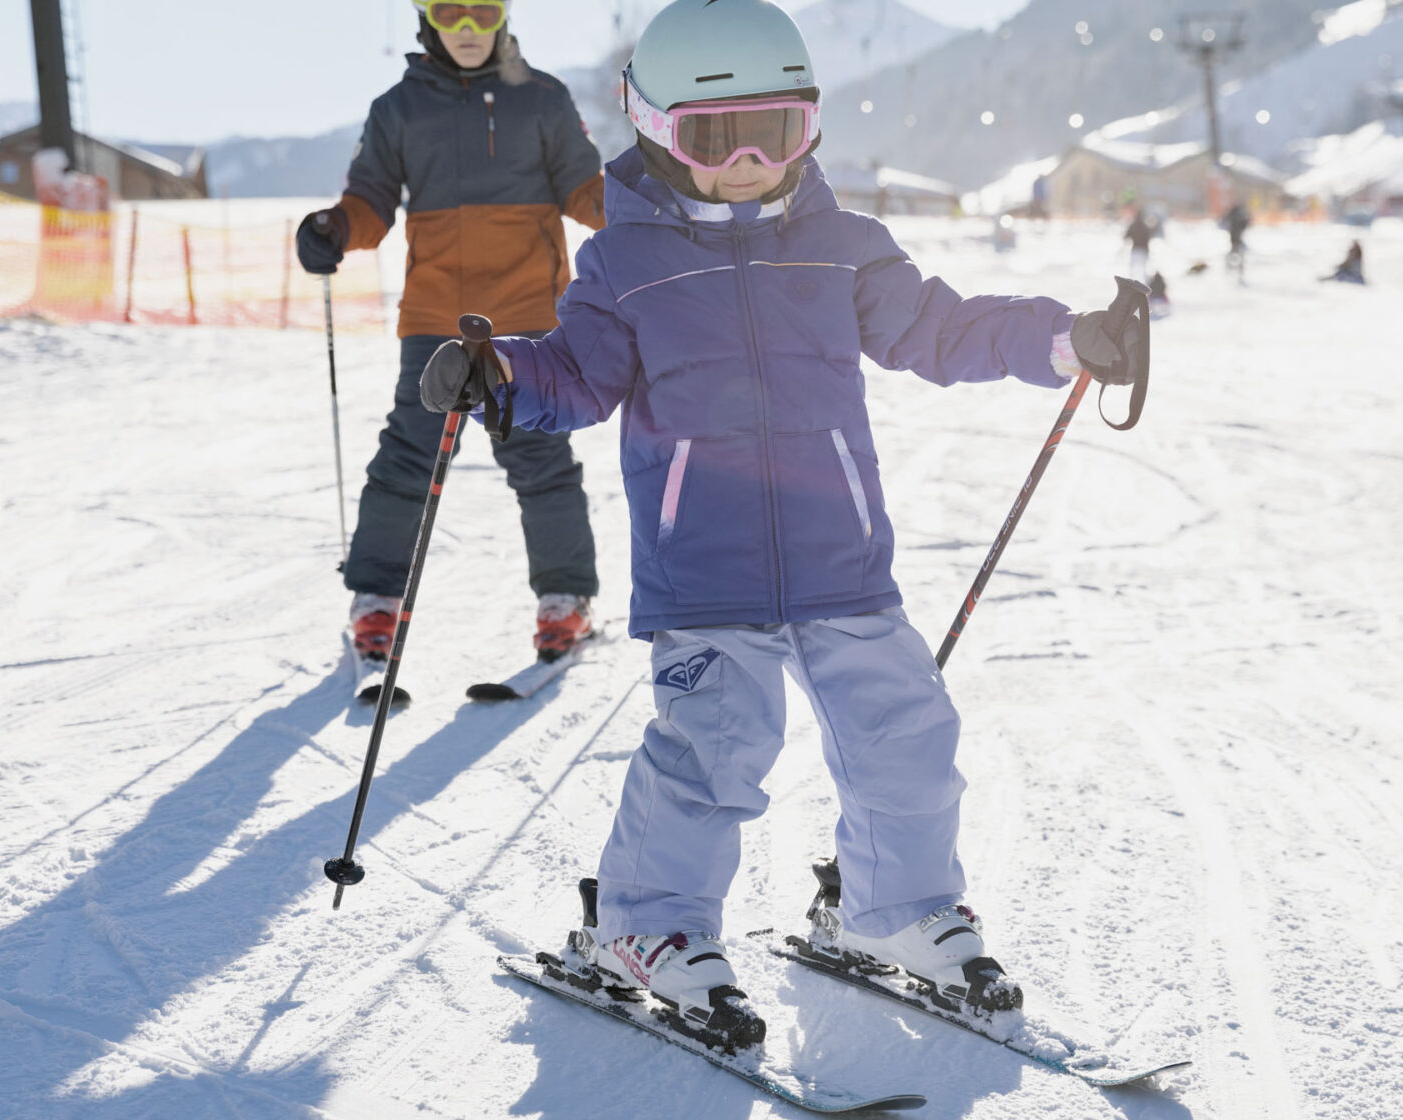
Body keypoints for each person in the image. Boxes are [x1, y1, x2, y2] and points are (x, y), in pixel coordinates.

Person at [416, 0, 1147, 1049]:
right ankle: (647, 927)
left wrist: (1061, 341)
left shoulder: (842, 247)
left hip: (840, 560)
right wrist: (496, 375)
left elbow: (939, 327)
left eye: (780, 131)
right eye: (716, 138)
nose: (750, 161)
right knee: (713, 752)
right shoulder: (624, 265)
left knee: (908, 734)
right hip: (703, 569)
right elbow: (573, 378)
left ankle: (894, 910)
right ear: (652, 129)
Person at [297, 0, 606, 666]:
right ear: (426, 17)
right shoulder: (399, 109)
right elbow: (372, 200)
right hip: (437, 319)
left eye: (483, 11)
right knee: (410, 456)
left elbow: (587, 189)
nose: (467, 29)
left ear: (503, 15)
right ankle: (377, 599)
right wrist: (335, 229)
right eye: (450, 11)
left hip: (528, 320)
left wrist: (643, 218)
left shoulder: (545, 99)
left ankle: (565, 598)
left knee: (539, 458)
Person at [1124, 205, 1158, 281]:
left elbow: (1126, 236)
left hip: (1135, 250)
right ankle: (1144, 285)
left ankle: (1132, 284)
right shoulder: (1145, 226)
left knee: (1133, 268)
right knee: (1143, 269)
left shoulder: (1133, 225)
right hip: (1144, 250)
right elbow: (1150, 235)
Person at [1221, 200, 1252, 284]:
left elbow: (1223, 222)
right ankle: (1235, 270)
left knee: (1235, 254)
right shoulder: (1239, 214)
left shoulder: (1233, 213)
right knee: (1237, 254)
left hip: (1235, 237)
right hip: (1236, 237)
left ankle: (1232, 269)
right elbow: (1246, 223)